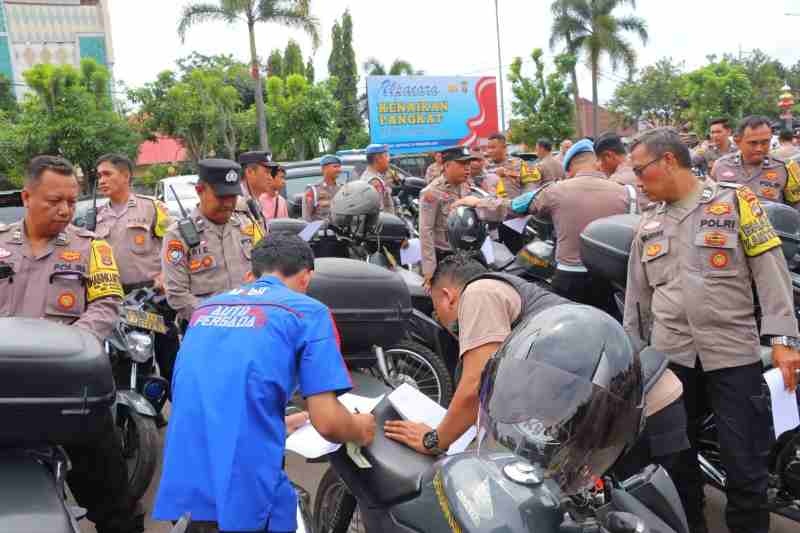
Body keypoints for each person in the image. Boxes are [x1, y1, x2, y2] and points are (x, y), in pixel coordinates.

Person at [385, 253, 688, 493]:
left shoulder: (478, 293)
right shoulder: (513, 291)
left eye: (439, 313)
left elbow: (475, 382)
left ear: (448, 296)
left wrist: (435, 440)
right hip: (642, 400)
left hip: (641, 408)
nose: (445, 323)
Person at [625, 127, 800, 533]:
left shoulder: (736, 202)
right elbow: (637, 299)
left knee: (746, 465)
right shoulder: (647, 224)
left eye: (640, 169)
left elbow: (771, 273)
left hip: (732, 355)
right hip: (672, 361)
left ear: (668, 160)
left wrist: (784, 342)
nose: (636, 180)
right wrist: (635, 358)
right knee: (674, 462)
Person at [154, 233, 376, 533]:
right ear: (306, 278)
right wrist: (360, 428)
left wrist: (285, 422)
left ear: (250, 277)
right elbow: (329, 423)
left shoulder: (205, 310)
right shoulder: (309, 312)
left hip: (187, 480)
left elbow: (212, 395)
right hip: (245, 486)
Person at [0, 155, 142, 533]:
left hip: (65, 392)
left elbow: (107, 306)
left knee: (116, 508)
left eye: (70, 200)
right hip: (4, 390)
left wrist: (66, 350)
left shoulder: (92, 248)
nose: (65, 210)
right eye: (53, 201)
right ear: (27, 197)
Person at [94, 153, 180, 388]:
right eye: (99, 175)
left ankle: (180, 404)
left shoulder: (153, 207)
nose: (101, 180)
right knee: (132, 357)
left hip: (153, 296)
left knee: (168, 355)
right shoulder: (97, 215)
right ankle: (145, 410)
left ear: (125, 176)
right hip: (119, 300)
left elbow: (174, 246)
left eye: (107, 174)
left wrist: (166, 274)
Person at [522, 139, 636, 309]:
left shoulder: (555, 190)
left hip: (569, 278)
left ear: (569, 167)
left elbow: (526, 207)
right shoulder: (627, 192)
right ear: (597, 162)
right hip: (612, 281)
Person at [162, 159, 262, 325]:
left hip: (251, 322)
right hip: (206, 328)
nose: (228, 204)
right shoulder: (179, 235)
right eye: (221, 197)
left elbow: (264, 275)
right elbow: (177, 294)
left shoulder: (247, 226)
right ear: (199, 190)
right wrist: (221, 318)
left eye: (233, 197)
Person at [418, 146, 495, 288]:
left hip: (469, 253)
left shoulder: (467, 186)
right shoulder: (431, 192)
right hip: (445, 257)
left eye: (468, 165)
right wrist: (429, 271)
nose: (467, 169)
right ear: (447, 165)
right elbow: (425, 231)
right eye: (462, 165)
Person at [711, 115, 800, 207]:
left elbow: (795, 209)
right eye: (753, 143)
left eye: (765, 142)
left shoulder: (785, 169)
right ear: (738, 141)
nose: (759, 148)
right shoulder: (720, 166)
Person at [237, 151, 274, 232]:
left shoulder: (254, 201)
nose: (270, 178)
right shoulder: (236, 205)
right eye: (267, 172)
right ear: (249, 172)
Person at [303, 155, 342, 222]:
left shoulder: (342, 189)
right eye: (335, 167)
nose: (339, 170)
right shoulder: (313, 190)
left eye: (339, 167)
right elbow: (306, 218)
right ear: (324, 169)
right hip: (321, 231)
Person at [360, 144, 396, 214]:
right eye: (386, 156)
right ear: (378, 159)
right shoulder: (375, 182)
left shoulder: (368, 176)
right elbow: (379, 213)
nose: (389, 159)